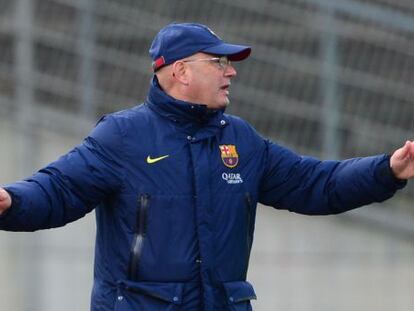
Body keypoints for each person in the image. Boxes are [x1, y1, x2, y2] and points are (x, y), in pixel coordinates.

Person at [0, 22, 413, 311]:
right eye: (217, 62)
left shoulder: (242, 139)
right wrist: (11, 201)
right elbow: (57, 190)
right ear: (179, 71)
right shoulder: (122, 136)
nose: (230, 71)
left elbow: (315, 184)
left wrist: (386, 170)